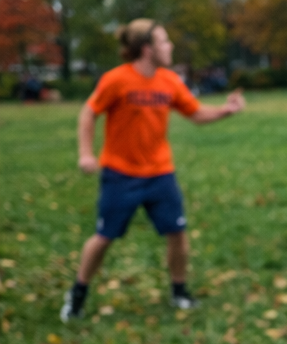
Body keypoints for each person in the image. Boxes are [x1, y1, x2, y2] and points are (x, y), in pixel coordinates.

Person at [61, 19, 244, 322]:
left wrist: (226, 110)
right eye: (164, 41)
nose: (170, 46)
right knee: (104, 237)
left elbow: (195, 113)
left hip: (160, 173)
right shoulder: (116, 80)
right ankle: (77, 294)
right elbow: (89, 112)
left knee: (178, 233)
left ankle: (179, 291)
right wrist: (85, 153)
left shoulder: (169, 81)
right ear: (147, 49)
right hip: (121, 174)